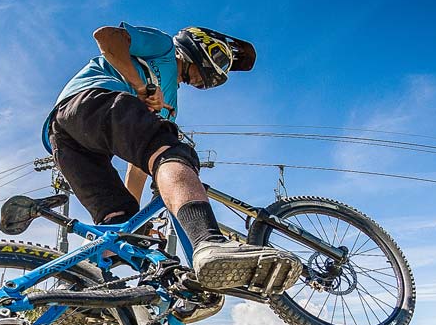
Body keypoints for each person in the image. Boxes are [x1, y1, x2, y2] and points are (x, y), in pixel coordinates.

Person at [42, 22, 302, 292]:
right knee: (173, 151)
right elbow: (106, 37)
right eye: (220, 61)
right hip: (91, 100)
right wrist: (141, 86)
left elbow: (140, 167)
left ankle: (85, 292)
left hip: (65, 141)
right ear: (200, 45)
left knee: (123, 229)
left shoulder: (169, 106)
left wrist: (137, 220)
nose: (210, 79)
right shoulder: (164, 48)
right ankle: (208, 241)